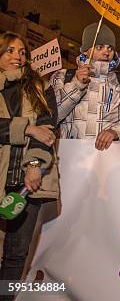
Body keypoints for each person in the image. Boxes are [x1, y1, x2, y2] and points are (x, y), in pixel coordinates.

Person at [0, 32, 58, 282]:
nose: (18, 56)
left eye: (22, 52)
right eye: (10, 50)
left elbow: (47, 130)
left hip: (28, 184)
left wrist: (34, 166)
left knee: (16, 256)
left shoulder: (40, 87)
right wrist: (27, 127)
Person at [50, 22, 120, 150]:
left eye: (110, 48)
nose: (106, 52)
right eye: (99, 47)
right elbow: (51, 117)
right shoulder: (62, 77)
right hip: (70, 158)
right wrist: (76, 85)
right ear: (86, 51)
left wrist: (116, 132)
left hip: (109, 159)